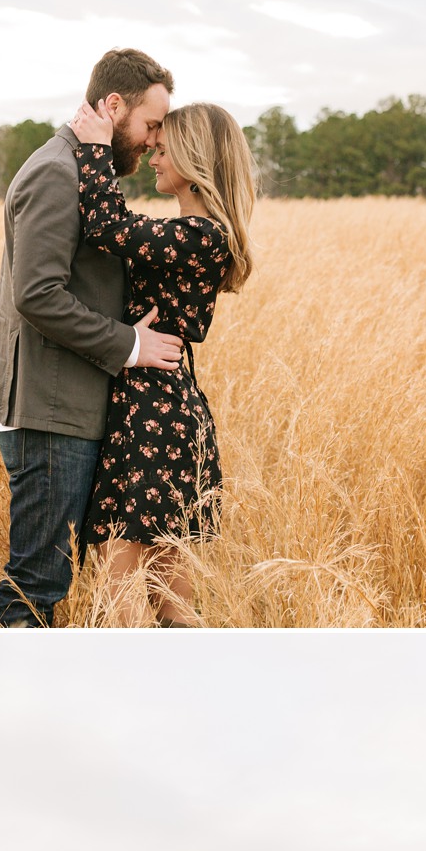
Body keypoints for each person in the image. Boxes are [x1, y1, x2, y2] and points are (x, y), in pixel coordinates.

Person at [0, 49, 186, 627]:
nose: (153, 140)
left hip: (61, 404)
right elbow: (37, 294)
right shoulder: (55, 171)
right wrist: (130, 346)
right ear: (114, 106)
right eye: (150, 125)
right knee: (37, 584)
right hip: (47, 410)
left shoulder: (81, 166)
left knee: (49, 576)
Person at [68, 98, 257, 626]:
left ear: (194, 161)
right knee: (168, 592)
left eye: (163, 149)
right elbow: (125, 228)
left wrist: (94, 151)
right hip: (159, 410)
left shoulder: (202, 237)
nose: (151, 155)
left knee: (118, 575)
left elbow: (108, 227)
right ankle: (189, 696)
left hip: (152, 417)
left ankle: (143, 696)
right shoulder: (191, 233)